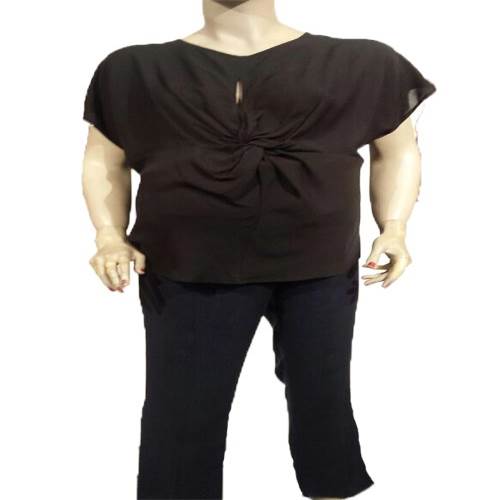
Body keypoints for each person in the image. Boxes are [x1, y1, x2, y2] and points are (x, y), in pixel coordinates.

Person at [81, 1, 437, 498]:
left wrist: (394, 227)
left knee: (323, 403)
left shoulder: (363, 62)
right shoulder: (133, 69)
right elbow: (104, 158)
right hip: (189, 266)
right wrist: (108, 235)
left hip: (319, 262)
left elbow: (396, 149)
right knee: (182, 416)